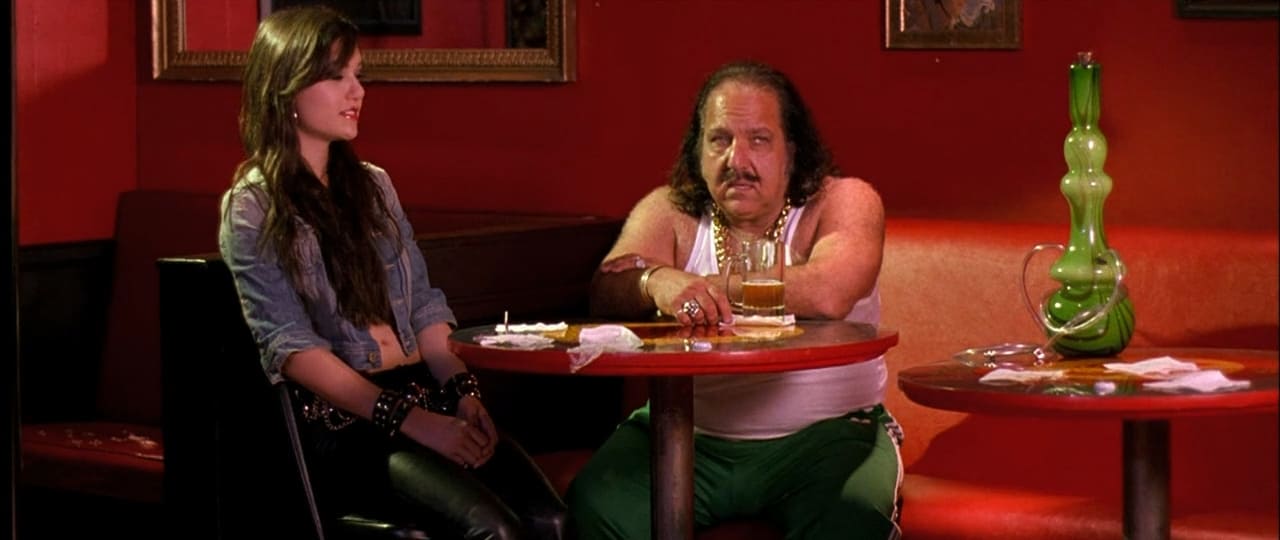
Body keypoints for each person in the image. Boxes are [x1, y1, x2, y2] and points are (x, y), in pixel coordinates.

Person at [218, 6, 566, 539]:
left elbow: (424, 306)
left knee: (551, 518)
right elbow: (291, 348)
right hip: (349, 422)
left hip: (425, 392)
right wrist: (414, 422)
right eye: (336, 77)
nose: (356, 91)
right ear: (286, 88)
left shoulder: (374, 185)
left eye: (358, 75)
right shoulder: (253, 206)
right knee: (492, 530)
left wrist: (464, 391)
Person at [567, 60, 904, 539]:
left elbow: (829, 293)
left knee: (850, 514)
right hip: (686, 434)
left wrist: (689, 284)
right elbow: (607, 287)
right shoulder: (670, 210)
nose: (736, 160)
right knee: (597, 505)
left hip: (829, 436)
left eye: (759, 140)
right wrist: (653, 282)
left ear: (792, 151)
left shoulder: (845, 200)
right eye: (719, 139)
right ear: (698, 150)